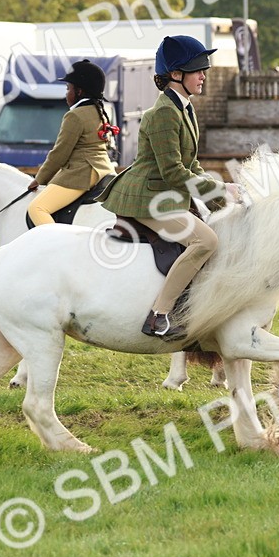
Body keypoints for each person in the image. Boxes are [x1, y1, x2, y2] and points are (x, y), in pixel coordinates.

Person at [97, 35, 241, 341]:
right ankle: (158, 315)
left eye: (205, 68)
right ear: (176, 75)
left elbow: (192, 165)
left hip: (167, 194)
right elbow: (174, 172)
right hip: (148, 198)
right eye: (198, 69)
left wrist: (222, 194)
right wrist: (217, 191)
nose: (204, 74)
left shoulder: (185, 108)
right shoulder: (164, 113)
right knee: (206, 242)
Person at [26, 59, 118, 227]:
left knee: (37, 208)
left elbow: (59, 154)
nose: (66, 93)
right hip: (104, 169)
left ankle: (56, 245)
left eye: (68, 88)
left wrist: (39, 179)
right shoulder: (99, 111)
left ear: (80, 91)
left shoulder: (75, 115)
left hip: (82, 174)